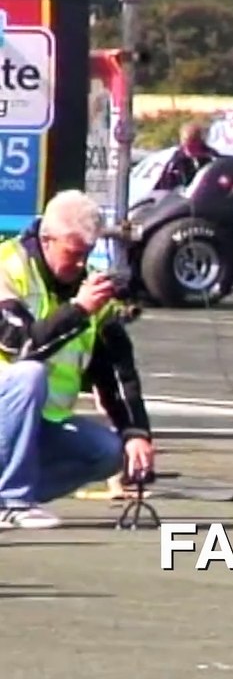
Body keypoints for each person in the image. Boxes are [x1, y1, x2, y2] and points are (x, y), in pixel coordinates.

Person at [0, 190, 155, 529]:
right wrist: (79, 310)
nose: (82, 264)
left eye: (87, 253)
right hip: (5, 409)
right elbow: (19, 346)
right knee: (29, 374)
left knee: (108, 452)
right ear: (47, 240)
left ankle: (12, 496)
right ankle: (12, 502)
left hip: (39, 424)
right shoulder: (6, 267)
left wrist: (136, 432)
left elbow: (118, 368)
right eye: (73, 254)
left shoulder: (90, 286)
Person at [153, 122, 220, 191]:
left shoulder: (213, 158)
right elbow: (163, 187)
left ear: (199, 142)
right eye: (186, 143)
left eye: (192, 145)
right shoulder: (174, 162)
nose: (188, 149)